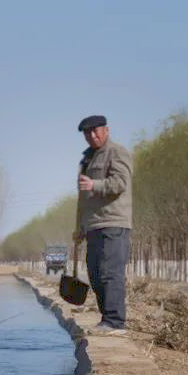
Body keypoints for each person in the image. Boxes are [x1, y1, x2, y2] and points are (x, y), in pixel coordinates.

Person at [74, 115, 133, 335]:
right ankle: (106, 320)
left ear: (106, 130)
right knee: (95, 274)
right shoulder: (87, 159)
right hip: (93, 225)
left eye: (95, 131)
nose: (92, 135)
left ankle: (115, 322)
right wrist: (80, 227)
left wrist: (94, 184)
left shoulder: (117, 152)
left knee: (110, 273)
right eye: (87, 133)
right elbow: (83, 199)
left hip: (113, 222)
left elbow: (120, 182)